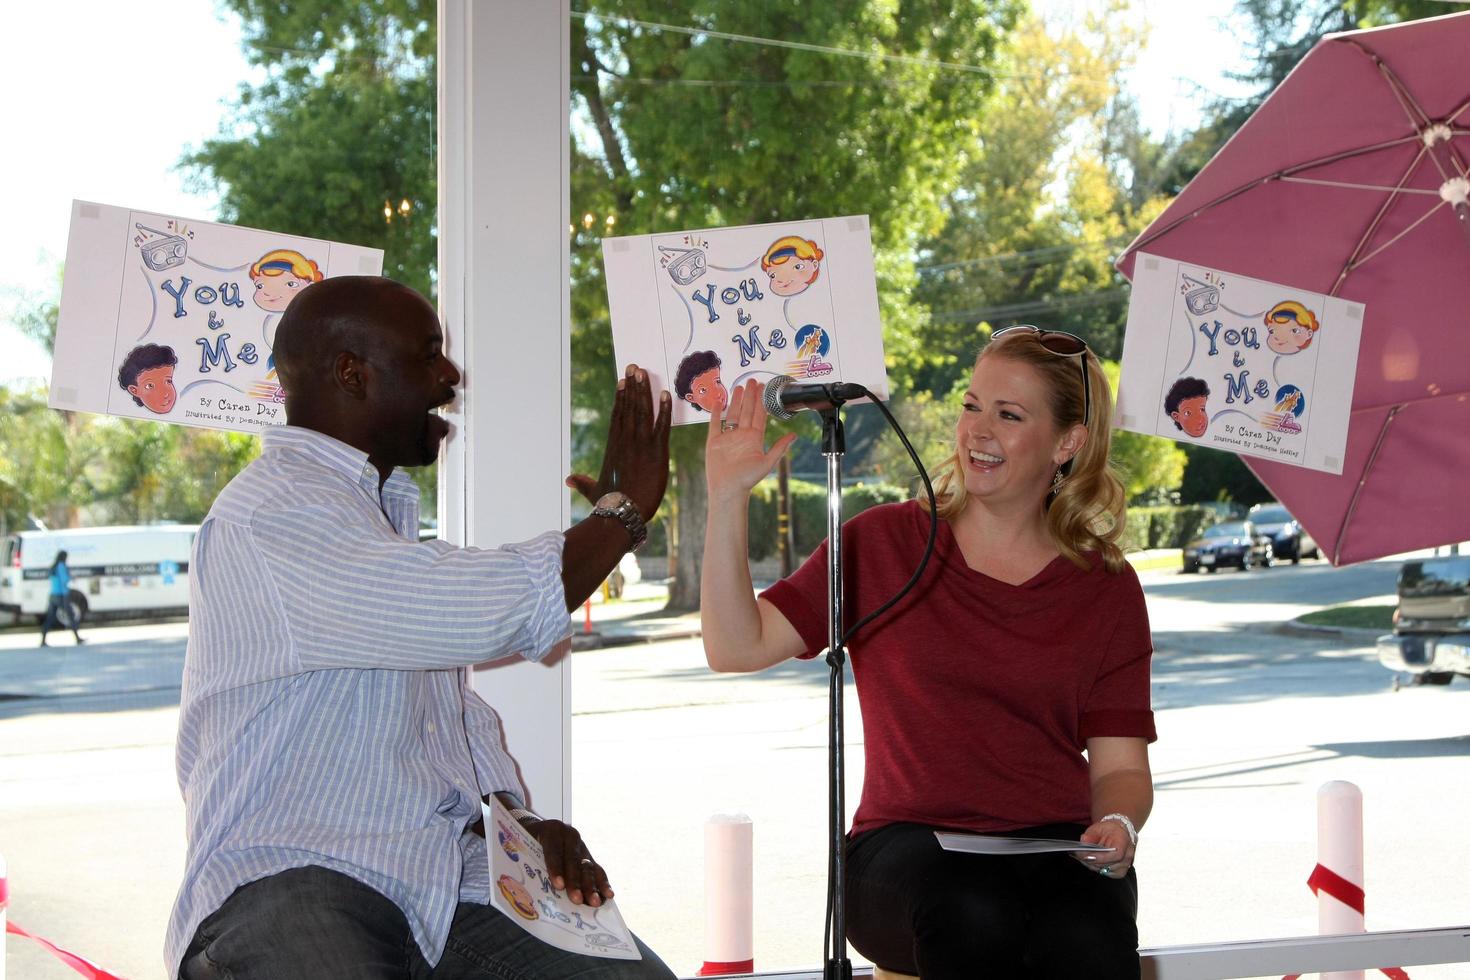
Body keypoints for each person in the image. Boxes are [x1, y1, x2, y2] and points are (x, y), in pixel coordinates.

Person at [166, 275, 677, 980]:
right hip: (293, 877)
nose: (450, 375)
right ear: (352, 372)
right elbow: (474, 611)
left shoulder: (375, 517)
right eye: (428, 355)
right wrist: (617, 519)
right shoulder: (274, 512)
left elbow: (445, 717)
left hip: (444, 879)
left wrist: (518, 827)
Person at [699, 325, 1156, 979]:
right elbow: (735, 645)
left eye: (1008, 414)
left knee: (1089, 930)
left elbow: (1121, 770)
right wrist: (726, 497)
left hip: (1054, 849)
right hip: (905, 851)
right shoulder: (882, 544)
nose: (977, 430)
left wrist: (1119, 821)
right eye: (972, 405)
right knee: (974, 910)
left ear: (1068, 442)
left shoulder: (1106, 586)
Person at [38, 550, 83, 646]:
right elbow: (64, 580)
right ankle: (77, 638)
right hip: (62, 595)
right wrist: (71, 577)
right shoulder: (61, 566)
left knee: (50, 618)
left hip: (53, 595)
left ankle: (43, 640)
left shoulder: (53, 566)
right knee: (70, 616)